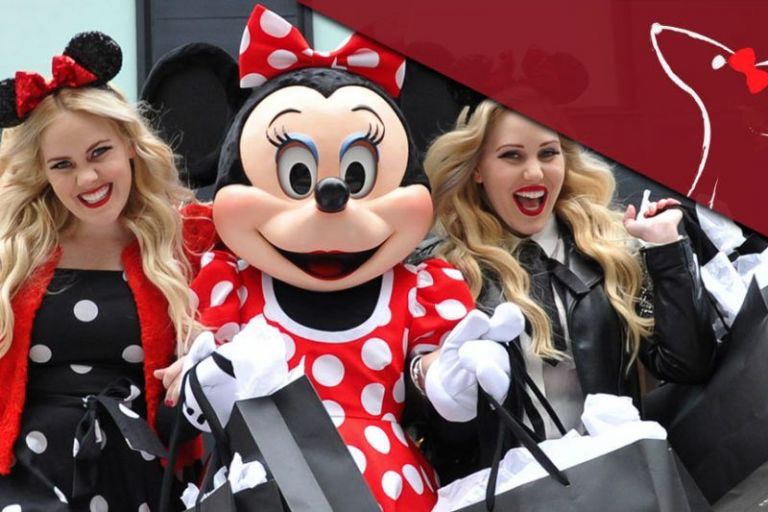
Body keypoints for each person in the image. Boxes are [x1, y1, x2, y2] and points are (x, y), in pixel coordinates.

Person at [415, 99, 718, 481]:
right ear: (477, 169)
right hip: (515, 493)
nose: (534, 171)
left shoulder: (609, 249)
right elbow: (441, 432)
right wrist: (428, 378)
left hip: (622, 481)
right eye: (511, 155)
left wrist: (665, 249)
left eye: (548, 153)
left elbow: (687, 364)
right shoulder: (444, 271)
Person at [0, 32, 212, 511]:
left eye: (99, 152)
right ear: (43, 173)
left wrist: (206, 354)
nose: (87, 178)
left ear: (130, 145)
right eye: (63, 165)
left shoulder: (189, 239)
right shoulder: (14, 250)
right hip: (25, 480)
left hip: (142, 479)